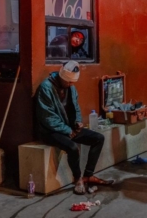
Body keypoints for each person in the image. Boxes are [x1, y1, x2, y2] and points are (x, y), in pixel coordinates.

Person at [35, 61, 114, 195]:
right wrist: (67, 130)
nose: (71, 85)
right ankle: (77, 179)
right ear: (61, 77)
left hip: (69, 127)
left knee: (98, 138)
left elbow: (76, 107)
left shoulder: (71, 87)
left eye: (73, 82)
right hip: (51, 131)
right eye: (68, 82)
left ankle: (88, 175)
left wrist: (78, 122)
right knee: (72, 147)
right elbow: (48, 118)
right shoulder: (45, 88)